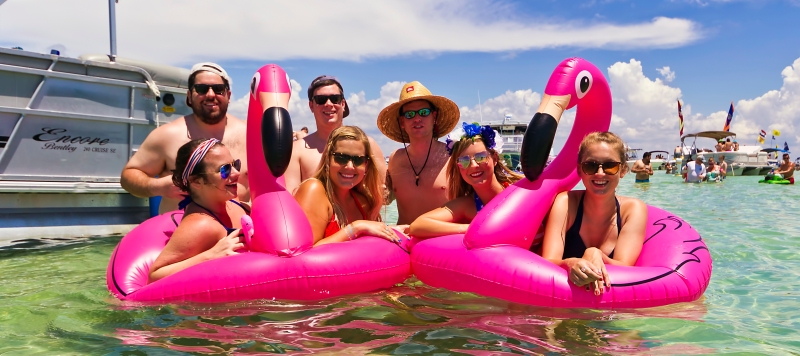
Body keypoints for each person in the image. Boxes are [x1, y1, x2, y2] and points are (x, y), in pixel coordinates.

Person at [121, 63, 249, 214]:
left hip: (238, 232)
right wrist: (158, 186)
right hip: (180, 232)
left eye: (218, 89)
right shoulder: (166, 135)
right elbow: (128, 176)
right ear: (189, 96)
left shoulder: (251, 134)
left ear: (228, 95)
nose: (210, 94)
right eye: (201, 89)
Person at [541, 132, 647, 296]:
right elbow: (547, 262)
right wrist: (570, 263)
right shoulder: (566, 203)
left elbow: (626, 269)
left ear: (623, 170)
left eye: (610, 165)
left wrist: (596, 254)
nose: (599, 172)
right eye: (590, 165)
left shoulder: (633, 210)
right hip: (562, 302)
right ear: (579, 170)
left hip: (611, 308)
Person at [148, 139, 248, 282]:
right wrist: (211, 255)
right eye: (224, 170)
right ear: (196, 182)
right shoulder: (200, 225)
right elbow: (154, 276)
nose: (236, 173)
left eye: (235, 164)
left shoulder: (231, 201)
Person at [408, 122, 523, 238]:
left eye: (481, 157)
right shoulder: (467, 205)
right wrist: (472, 227)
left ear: (495, 159)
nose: (473, 165)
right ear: (458, 167)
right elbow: (417, 225)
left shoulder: (521, 190)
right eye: (464, 160)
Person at [294, 126, 398, 246]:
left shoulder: (363, 202)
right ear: (328, 159)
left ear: (366, 165)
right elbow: (302, 254)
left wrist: (392, 231)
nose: (349, 166)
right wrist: (355, 228)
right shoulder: (313, 190)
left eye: (358, 160)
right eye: (341, 157)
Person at [285, 76, 386, 194]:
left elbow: (382, 193)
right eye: (320, 99)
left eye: (335, 98)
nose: (328, 104)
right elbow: (290, 200)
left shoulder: (368, 145)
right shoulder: (296, 151)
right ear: (311, 106)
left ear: (343, 104)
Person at [378, 81, 459, 224]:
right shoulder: (395, 159)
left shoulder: (453, 156)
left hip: (443, 241)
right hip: (403, 241)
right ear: (402, 122)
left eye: (423, 112)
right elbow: (384, 199)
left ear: (434, 117)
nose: (417, 118)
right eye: (409, 114)